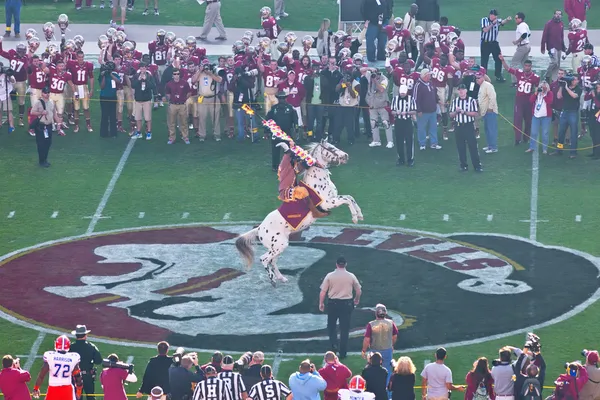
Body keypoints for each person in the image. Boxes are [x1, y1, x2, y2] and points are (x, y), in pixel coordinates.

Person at [319, 256, 362, 359]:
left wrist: (321, 303)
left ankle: (333, 347)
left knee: (332, 327)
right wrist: (356, 299)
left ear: (336, 264)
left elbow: (323, 292)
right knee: (344, 329)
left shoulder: (330, 276)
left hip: (333, 304)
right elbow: (359, 290)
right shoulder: (351, 276)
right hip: (346, 304)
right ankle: (343, 352)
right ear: (345, 264)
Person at [34, 335, 83, 400]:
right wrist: (79, 390)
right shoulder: (73, 357)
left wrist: (36, 388)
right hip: (67, 390)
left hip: (53, 389)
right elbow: (77, 376)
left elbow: (41, 375)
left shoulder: (50, 356)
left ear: (56, 344)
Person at [361, 304, 398, 384]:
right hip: (387, 349)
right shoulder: (391, 323)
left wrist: (364, 350)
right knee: (387, 370)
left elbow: (367, 339)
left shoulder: (371, 324)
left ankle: (374, 387)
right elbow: (394, 336)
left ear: (376, 313)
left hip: (374, 351)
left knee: (373, 369)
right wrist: (391, 345)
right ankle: (386, 390)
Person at [450, 83, 482, 172]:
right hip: (458, 126)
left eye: (463, 90)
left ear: (466, 91)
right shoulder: (455, 101)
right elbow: (451, 115)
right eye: (459, 90)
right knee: (461, 147)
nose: (461, 91)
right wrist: (456, 112)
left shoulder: (471, 101)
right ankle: (463, 165)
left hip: (469, 126)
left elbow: (475, 113)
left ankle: (477, 166)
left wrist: (464, 112)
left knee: (473, 146)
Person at [192, 59, 224, 141]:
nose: (206, 67)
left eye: (207, 65)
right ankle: (202, 135)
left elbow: (219, 80)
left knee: (215, 117)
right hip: (202, 98)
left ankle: (217, 134)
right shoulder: (199, 73)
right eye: (204, 65)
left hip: (214, 98)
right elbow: (193, 81)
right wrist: (200, 70)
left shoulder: (214, 71)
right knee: (202, 117)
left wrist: (210, 73)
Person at [69, 325, 103, 400]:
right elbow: (99, 361)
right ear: (85, 335)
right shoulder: (91, 347)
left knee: (77, 397)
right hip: (88, 376)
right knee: (90, 397)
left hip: (75, 377)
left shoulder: (71, 347)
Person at [551, 74, 581, 158]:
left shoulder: (578, 89)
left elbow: (574, 96)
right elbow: (559, 96)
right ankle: (559, 150)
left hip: (573, 113)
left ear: (578, 81)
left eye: (575, 80)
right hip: (564, 112)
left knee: (574, 133)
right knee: (561, 132)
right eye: (573, 79)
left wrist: (567, 88)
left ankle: (573, 152)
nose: (573, 81)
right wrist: (561, 86)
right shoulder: (565, 87)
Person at [266, 91, 298, 171]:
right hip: (276, 132)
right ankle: (275, 166)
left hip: (287, 132)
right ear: (278, 99)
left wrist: (296, 128)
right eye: (280, 98)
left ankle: (290, 165)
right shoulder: (274, 109)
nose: (281, 100)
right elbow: (268, 120)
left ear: (285, 99)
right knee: (275, 149)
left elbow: (295, 119)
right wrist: (266, 131)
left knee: (289, 149)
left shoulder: (290, 108)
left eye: (283, 98)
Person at [30, 86, 59, 168]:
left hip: (49, 125)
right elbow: (32, 112)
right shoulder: (38, 102)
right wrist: (41, 112)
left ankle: (45, 159)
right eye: (45, 92)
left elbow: (54, 114)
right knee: (41, 144)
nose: (47, 94)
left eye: (48, 92)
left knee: (48, 143)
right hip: (41, 126)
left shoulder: (51, 102)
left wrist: (58, 123)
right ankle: (41, 160)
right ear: (42, 93)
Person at [480, 10, 512, 83]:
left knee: (499, 59)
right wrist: (492, 24)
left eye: (496, 15)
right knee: (484, 61)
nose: (495, 17)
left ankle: (498, 75)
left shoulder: (497, 20)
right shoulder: (484, 20)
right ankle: (484, 76)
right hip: (485, 43)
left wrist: (507, 19)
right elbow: (485, 30)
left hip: (494, 43)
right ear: (491, 15)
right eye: (494, 15)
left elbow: (502, 22)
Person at [413, 69, 441, 150]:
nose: (430, 76)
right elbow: (415, 99)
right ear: (425, 75)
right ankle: (422, 143)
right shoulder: (418, 85)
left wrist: (438, 102)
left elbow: (434, 95)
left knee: (433, 128)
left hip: (432, 111)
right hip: (423, 112)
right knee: (421, 128)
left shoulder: (431, 83)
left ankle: (434, 143)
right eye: (429, 74)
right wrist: (418, 110)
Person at [365, 69, 393, 148]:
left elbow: (381, 89)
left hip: (382, 104)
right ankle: (376, 140)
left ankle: (390, 141)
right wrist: (370, 69)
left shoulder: (384, 79)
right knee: (373, 123)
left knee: (386, 123)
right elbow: (362, 70)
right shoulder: (369, 76)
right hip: (372, 104)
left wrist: (375, 81)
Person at [391, 84, 417, 166]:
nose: (402, 94)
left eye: (403, 93)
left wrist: (407, 112)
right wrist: (396, 112)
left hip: (407, 121)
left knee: (409, 140)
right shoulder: (395, 99)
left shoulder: (411, 99)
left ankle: (410, 159)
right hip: (398, 121)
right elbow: (392, 111)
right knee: (399, 141)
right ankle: (401, 159)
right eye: (401, 93)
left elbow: (414, 111)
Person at [165, 68, 192, 144]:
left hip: (182, 105)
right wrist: (172, 99)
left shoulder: (184, 83)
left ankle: (185, 137)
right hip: (173, 105)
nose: (176, 76)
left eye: (178, 74)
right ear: (172, 75)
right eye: (175, 74)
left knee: (184, 122)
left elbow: (189, 92)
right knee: (171, 122)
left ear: (180, 75)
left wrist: (184, 99)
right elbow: (167, 94)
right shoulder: (169, 84)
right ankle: (171, 138)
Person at [131, 63, 156, 140]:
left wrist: (146, 80)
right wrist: (139, 80)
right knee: (138, 118)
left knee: (147, 118)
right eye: (141, 68)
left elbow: (152, 86)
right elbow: (133, 85)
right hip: (138, 100)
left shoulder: (149, 76)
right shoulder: (136, 76)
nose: (142, 70)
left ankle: (149, 132)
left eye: (144, 68)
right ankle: (138, 132)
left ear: (146, 68)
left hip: (146, 100)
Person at [541, 10, 566, 83]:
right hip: (551, 47)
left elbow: (562, 36)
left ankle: (554, 80)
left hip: (559, 46)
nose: (558, 15)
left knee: (558, 64)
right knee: (554, 62)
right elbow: (544, 35)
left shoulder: (561, 24)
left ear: (561, 16)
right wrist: (543, 47)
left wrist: (563, 47)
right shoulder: (549, 24)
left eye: (559, 14)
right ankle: (547, 75)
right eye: (556, 14)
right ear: (554, 15)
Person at [529, 81, 554, 154]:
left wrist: (544, 95)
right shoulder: (537, 94)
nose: (542, 88)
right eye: (541, 87)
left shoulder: (550, 93)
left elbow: (549, 102)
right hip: (536, 116)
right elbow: (531, 100)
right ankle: (532, 147)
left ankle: (545, 148)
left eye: (544, 87)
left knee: (545, 133)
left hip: (546, 117)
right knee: (533, 132)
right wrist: (535, 93)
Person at [477, 74, 499, 153]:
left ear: (483, 78)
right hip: (485, 112)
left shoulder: (487, 85)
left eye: (479, 78)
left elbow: (492, 97)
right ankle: (490, 145)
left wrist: (490, 108)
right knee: (487, 130)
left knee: (491, 130)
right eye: (476, 78)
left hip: (490, 111)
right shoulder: (482, 86)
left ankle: (493, 147)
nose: (477, 80)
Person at [99, 61, 121, 138]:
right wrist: (104, 75)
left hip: (112, 97)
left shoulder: (114, 74)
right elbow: (102, 86)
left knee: (112, 115)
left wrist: (111, 74)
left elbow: (118, 81)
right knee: (104, 115)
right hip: (104, 97)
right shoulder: (102, 75)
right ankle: (103, 133)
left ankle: (113, 133)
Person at [510, 12, 531, 86]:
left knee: (513, 64)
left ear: (520, 19)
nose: (515, 20)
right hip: (527, 45)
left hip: (522, 47)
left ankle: (515, 82)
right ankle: (528, 79)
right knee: (525, 64)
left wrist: (517, 41)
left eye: (516, 18)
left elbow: (525, 34)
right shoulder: (525, 25)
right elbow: (529, 34)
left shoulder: (521, 26)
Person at [586, 82, 600, 159]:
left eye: (599, 88)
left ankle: (598, 153)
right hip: (592, 115)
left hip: (598, 116)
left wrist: (594, 96)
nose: (598, 90)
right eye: (597, 88)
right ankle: (594, 152)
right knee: (593, 134)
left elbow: (598, 105)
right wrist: (590, 91)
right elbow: (586, 98)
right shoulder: (594, 93)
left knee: (598, 135)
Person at [0, 66, 15, 133]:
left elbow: (13, 81)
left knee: (9, 110)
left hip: (6, 94)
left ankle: (11, 126)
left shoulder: (6, 74)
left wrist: (8, 76)